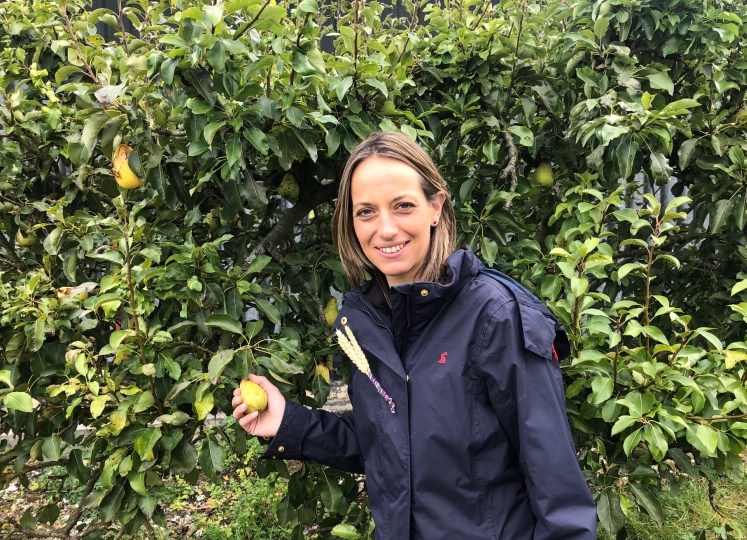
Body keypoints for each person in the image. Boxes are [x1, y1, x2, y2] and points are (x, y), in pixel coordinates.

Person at [232, 132, 597, 539]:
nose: (385, 229)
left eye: (403, 206)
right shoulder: (363, 321)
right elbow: (387, 443)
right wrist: (290, 423)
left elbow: (557, 487)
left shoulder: (496, 317)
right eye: (366, 212)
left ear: (436, 207)